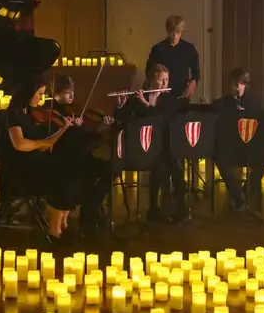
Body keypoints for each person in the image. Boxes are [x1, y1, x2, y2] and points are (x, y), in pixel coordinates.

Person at [3, 76, 80, 240]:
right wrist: (41, 143)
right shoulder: (13, 114)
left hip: (38, 161)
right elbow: (19, 143)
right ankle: (54, 230)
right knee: (61, 174)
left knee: (72, 169)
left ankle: (63, 223)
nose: (41, 98)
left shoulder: (33, 113)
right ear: (28, 94)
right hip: (23, 167)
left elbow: (49, 142)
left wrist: (64, 129)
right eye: (39, 94)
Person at [115, 64, 188, 223]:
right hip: (142, 146)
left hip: (162, 146)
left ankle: (179, 208)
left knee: (172, 167)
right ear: (152, 78)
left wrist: (147, 105)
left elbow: (162, 119)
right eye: (161, 79)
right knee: (161, 164)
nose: (164, 83)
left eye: (167, 80)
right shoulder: (137, 97)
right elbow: (121, 118)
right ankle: (155, 209)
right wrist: (120, 104)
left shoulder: (168, 99)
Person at [48, 74, 115, 234]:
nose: (72, 95)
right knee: (86, 175)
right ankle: (88, 213)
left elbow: (82, 138)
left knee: (110, 169)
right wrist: (86, 130)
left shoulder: (72, 112)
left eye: (73, 91)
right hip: (66, 161)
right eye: (67, 92)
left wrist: (99, 129)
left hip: (80, 157)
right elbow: (71, 142)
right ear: (56, 94)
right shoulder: (53, 114)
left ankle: (89, 208)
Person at [212, 68, 264, 217]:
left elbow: (261, 126)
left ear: (245, 85)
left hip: (248, 147)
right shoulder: (221, 104)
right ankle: (239, 196)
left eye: (241, 84)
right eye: (235, 83)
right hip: (230, 147)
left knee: (263, 161)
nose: (237, 87)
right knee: (220, 160)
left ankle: (243, 193)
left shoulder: (254, 104)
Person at [144, 15, 200, 101]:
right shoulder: (157, 49)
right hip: (161, 96)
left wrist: (192, 85)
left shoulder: (189, 49)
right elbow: (149, 72)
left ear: (182, 31)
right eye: (172, 32)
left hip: (181, 95)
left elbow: (196, 72)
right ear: (167, 30)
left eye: (178, 32)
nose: (174, 36)